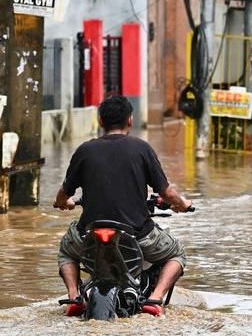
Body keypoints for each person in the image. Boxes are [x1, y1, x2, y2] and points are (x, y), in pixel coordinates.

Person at [53, 95, 192, 314]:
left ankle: (74, 296)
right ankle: (154, 300)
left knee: (66, 252)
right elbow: (166, 192)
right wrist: (182, 203)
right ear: (130, 120)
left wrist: (64, 203)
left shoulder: (85, 150)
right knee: (177, 254)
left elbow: (63, 194)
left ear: (100, 121)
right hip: (138, 236)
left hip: (89, 234)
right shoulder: (142, 149)